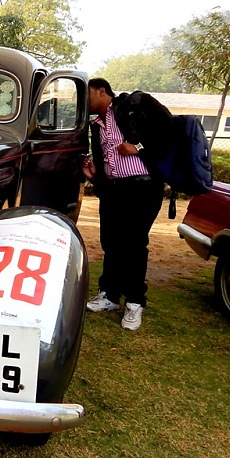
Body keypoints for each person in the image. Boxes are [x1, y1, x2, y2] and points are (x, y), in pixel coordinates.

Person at [82, 78, 174, 331]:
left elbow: (170, 130)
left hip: (142, 187)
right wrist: (95, 173)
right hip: (113, 189)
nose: (84, 100)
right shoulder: (96, 125)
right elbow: (104, 159)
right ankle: (109, 295)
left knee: (134, 244)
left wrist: (139, 147)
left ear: (101, 91)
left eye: (87, 93)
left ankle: (135, 301)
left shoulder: (135, 105)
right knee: (111, 242)